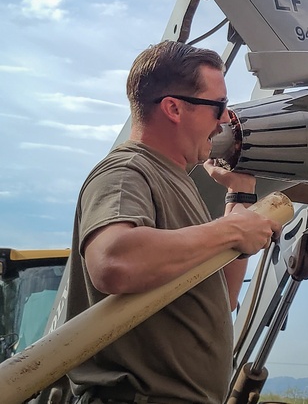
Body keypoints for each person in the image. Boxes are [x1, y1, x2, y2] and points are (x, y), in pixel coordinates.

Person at [64, 40, 284, 404]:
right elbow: (113, 262)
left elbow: (224, 297)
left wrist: (240, 196)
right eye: (219, 106)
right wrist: (230, 229)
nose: (228, 119)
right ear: (174, 108)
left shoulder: (176, 181)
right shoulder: (127, 171)